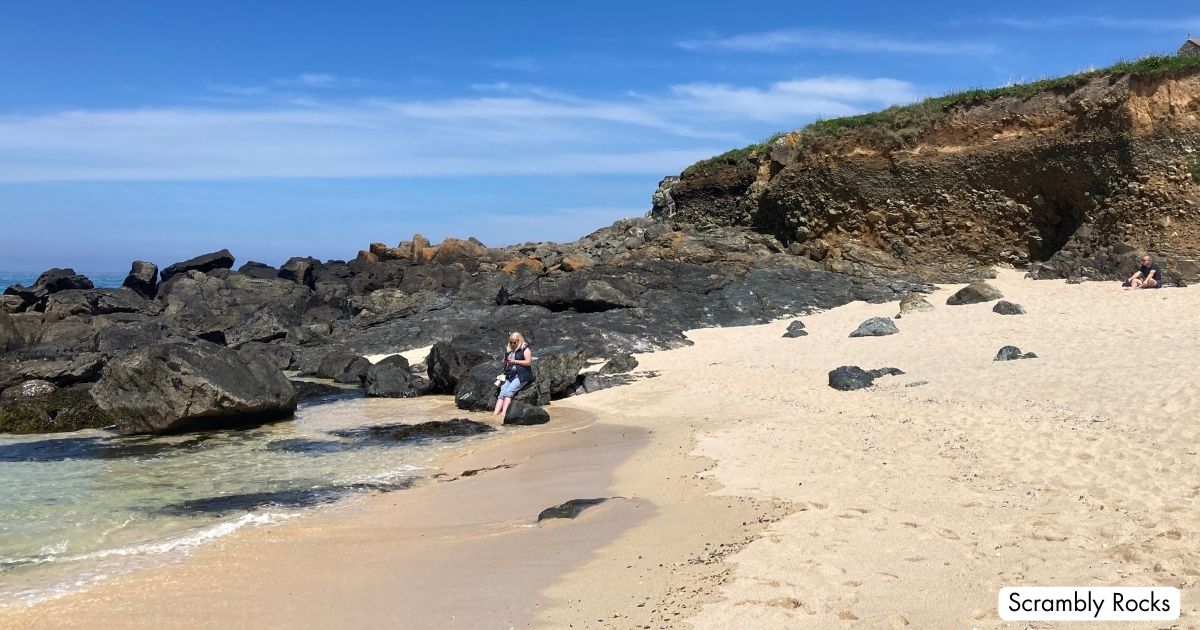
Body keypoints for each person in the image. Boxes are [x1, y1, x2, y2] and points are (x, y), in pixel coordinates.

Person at [492, 332, 533, 418]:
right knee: (502, 393)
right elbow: (505, 361)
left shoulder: (525, 348)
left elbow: (528, 362)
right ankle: (495, 414)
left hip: (521, 375)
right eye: (511, 342)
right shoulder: (509, 349)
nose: (512, 344)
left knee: (508, 393)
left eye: (514, 342)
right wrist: (505, 361)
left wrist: (515, 361)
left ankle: (504, 414)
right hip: (509, 374)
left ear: (519, 341)